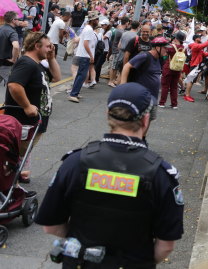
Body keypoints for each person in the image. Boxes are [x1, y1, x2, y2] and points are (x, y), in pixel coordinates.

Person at [35, 83, 184, 267]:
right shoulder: (161, 175)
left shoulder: (75, 163)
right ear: (145, 120)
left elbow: (51, 225)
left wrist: (82, 243)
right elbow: (166, 245)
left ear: (107, 114)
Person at [5, 32, 61, 182]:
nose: (51, 48)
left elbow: (57, 77)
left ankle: (16, 176)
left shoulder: (37, 64)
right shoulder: (26, 63)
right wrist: (27, 106)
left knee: (23, 152)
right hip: (23, 121)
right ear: (37, 46)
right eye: (48, 46)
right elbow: (14, 85)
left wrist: (52, 58)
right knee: (15, 153)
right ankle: (11, 184)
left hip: (34, 122)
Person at [120, 36, 168, 139]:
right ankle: (131, 142)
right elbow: (127, 66)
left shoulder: (158, 59)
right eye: (164, 47)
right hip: (142, 97)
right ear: (157, 47)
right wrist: (123, 86)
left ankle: (142, 141)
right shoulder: (145, 56)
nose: (166, 50)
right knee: (138, 122)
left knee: (148, 120)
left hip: (153, 97)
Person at [68, 11, 100, 103]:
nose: (98, 21)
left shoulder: (87, 28)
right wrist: (91, 55)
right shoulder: (89, 29)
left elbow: (80, 40)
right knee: (81, 76)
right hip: (84, 56)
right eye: (97, 19)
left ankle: (75, 93)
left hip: (82, 55)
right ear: (93, 20)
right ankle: (73, 94)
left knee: (80, 75)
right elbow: (86, 43)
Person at [159, 32, 186, 109]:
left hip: (169, 67)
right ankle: (174, 104)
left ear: (176, 38)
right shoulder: (183, 48)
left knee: (165, 86)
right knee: (174, 87)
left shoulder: (171, 47)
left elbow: (164, 55)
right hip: (177, 69)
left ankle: (162, 103)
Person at [183, 34, 208, 102]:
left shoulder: (197, 47)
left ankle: (187, 94)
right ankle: (187, 95)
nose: (201, 39)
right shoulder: (195, 45)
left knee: (192, 81)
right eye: (200, 38)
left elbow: (204, 54)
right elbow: (204, 45)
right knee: (191, 81)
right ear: (196, 39)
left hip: (196, 65)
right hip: (194, 65)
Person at [0, 11, 20, 84]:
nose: (19, 21)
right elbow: (16, 46)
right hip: (6, 63)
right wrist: (14, 59)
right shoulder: (12, 32)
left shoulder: (1, 28)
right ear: (13, 20)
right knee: (14, 84)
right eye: (18, 19)